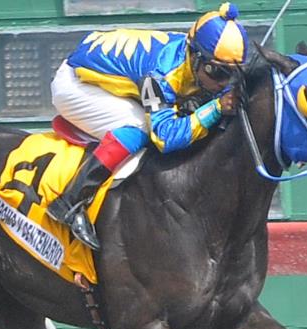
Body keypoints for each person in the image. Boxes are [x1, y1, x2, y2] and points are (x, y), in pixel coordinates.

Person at [48, 2, 247, 250]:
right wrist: (215, 108)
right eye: (217, 73)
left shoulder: (192, 55)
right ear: (195, 57)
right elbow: (164, 138)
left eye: (232, 74)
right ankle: (70, 201)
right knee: (140, 127)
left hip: (107, 62)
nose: (224, 83)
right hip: (74, 84)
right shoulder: (159, 75)